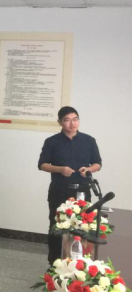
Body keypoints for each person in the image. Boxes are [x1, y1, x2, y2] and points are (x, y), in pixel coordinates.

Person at [38, 106, 102, 264]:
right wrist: (59, 169)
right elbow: (42, 164)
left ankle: (79, 263)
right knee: (56, 226)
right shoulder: (52, 142)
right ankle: (54, 263)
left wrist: (88, 169)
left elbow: (97, 163)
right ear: (59, 122)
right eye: (67, 120)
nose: (72, 124)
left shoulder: (89, 140)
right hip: (59, 190)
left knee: (82, 226)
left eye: (75, 119)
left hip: (83, 190)